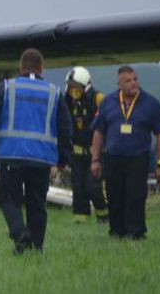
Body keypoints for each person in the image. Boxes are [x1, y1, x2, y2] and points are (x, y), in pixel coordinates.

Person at [0, 49, 71, 253]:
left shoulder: (6, 88)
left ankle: (20, 233)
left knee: (8, 197)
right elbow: (65, 128)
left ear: (20, 67)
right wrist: (64, 158)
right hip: (42, 159)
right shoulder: (55, 92)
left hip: (12, 156)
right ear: (42, 68)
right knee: (37, 204)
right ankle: (35, 248)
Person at [90, 66, 160, 240]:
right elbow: (98, 132)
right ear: (119, 84)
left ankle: (136, 233)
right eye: (128, 81)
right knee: (114, 195)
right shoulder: (108, 102)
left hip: (138, 158)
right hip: (113, 157)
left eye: (135, 79)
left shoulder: (151, 104)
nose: (133, 83)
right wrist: (95, 159)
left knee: (136, 196)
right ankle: (116, 232)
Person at [62, 66, 109, 223]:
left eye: (77, 88)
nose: (73, 91)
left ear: (86, 87)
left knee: (94, 187)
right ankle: (80, 222)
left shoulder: (98, 99)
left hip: (96, 154)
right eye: (71, 87)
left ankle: (104, 217)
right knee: (78, 189)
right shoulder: (67, 102)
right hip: (76, 155)